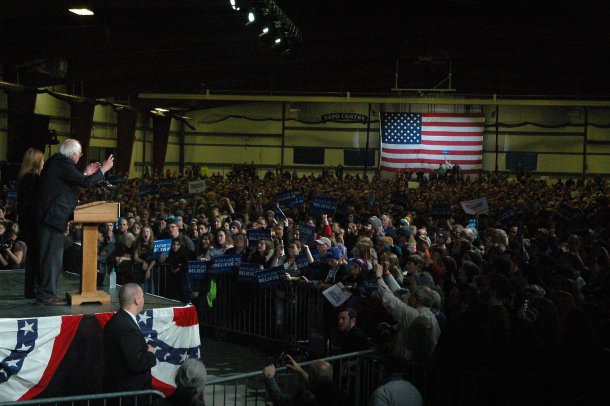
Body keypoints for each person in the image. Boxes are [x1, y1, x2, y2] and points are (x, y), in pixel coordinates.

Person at [37, 139, 113, 305]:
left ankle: (47, 293)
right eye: (79, 154)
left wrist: (85, 173)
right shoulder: (62, 163)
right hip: (52, 218)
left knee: (53, 258)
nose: (80, 157)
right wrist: (103, 170)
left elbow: (76, 181)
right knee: (52, 259)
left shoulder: (58, 162)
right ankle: (46, 295)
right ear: (73, 154)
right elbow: (85, 183)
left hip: (52, 218)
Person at [103, 283, 157, 393]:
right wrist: (151, 354)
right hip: (131, 392)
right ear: (137, 300)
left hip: (115, 388)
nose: (143, 299)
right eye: (142, 296)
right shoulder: (129, 329)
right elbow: (136, 364)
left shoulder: (114, 321)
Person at [17, 147, 45, 298]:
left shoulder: (25, 178)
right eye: (42, 159)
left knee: (33, 258)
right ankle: (34, 290)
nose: (43, 162)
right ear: (36, 161)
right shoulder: (31, 179)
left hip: (28, 224)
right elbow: (33, 205)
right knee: (35, 259)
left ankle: (31, 290)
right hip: (32, 225)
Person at [263, 356, 344, 406]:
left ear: (311, 377)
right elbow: (317, 383)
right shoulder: (338, 394)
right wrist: (300, 371)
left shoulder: (306, 397)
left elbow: (281, 401)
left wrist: (270, 378)